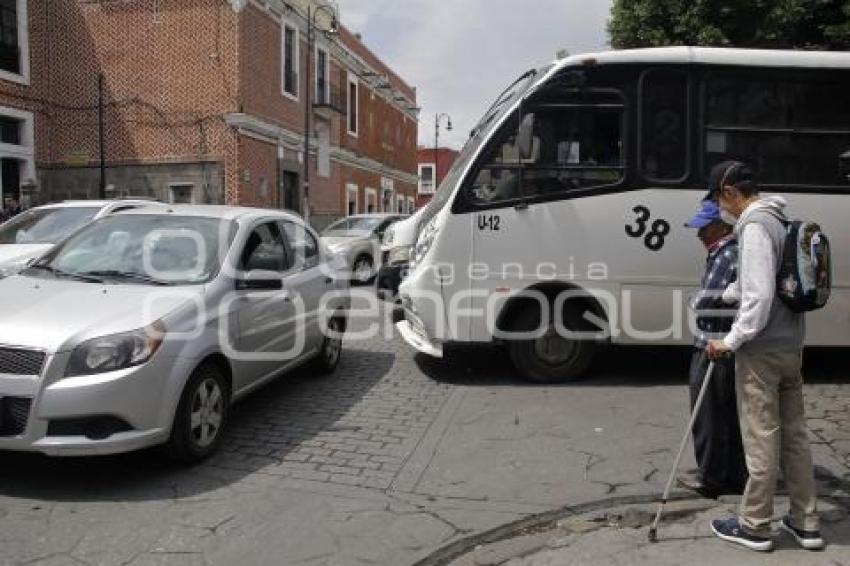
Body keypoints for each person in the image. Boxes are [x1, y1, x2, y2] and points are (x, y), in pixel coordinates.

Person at [706, 160, 823, 552]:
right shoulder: (780, 219)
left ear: (730, 194)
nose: (724, 210)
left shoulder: (754, 226)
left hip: (762, 352)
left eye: (722, 201)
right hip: (791, 345)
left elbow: (759, 295)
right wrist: (728, 293)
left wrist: (730, 341)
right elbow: (767, 278)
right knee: (795, 436)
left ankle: (755, 525)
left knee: (761, 437)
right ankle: (806, 522)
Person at [677, 199, 747, 499]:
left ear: (720, 225)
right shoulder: (735, 250)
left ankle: (710, 478)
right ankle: (735, 476)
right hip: (730, 344)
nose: (699, 235)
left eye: (704, 228)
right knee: (728, 414)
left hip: (713, 344)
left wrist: (693, 301)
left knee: (707, 415)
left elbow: (706, 301)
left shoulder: (724, 254)